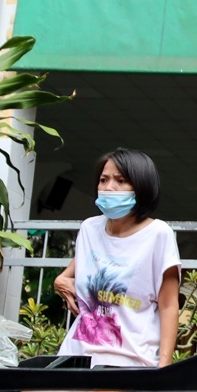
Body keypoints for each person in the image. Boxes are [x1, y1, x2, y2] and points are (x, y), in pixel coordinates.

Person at [54, 148, 182, 368]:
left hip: (132, 363)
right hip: (76, 360)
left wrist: (163, 369)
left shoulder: (158, 234)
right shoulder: (89, 229)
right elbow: (72, 273)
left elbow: (169, 305)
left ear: (141, 187)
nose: (108, 188)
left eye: (120, 181)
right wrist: (62, 280)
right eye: (103, 180)